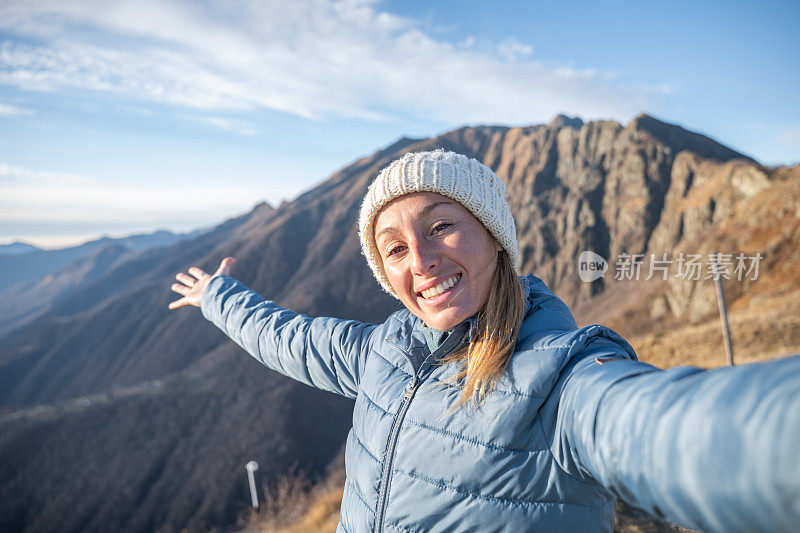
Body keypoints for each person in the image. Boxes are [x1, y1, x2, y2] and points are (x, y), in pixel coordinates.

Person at [169, 150, 800, 533]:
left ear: (495, 237)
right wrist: (219, 298)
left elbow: (672, 428)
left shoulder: (560, 379)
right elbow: (293, 339)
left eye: (441, 226)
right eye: (395, 248)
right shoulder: (382, 354)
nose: (421, 260)